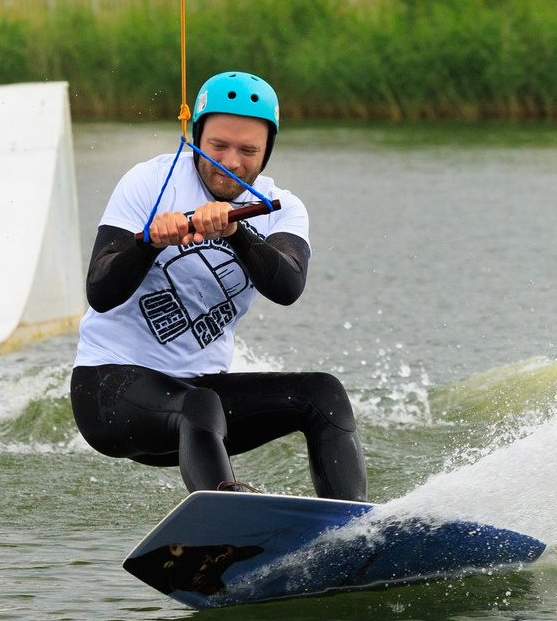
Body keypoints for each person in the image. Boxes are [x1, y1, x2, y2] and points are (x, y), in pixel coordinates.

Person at [69, 71, 366, 500]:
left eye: (248, 150)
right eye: (218, 146)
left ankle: (352, 529)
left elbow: (286, 286)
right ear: (194, 137)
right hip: (109, 391)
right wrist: (151, 242)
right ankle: (227, 524)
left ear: (267, 152)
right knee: (200, 404)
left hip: (199, 409)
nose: (231, 162)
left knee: (323, 394)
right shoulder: (150, 183)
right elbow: (100, 290)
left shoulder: (281, 209)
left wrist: (236, 233)